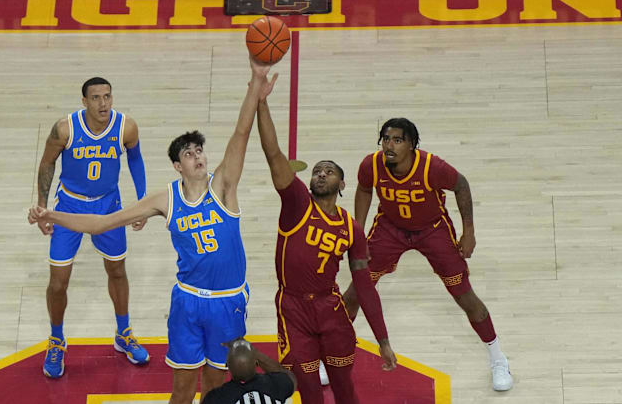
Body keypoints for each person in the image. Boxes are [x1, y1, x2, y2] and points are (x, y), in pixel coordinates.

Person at [29, 58, 274, 403]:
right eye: (189, 153)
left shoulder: (224, 188)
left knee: (218, 387)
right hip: (187, 300)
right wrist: (51, 212)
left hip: (226, 301)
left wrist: (256, 82)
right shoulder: (166, 199)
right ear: (178, 166)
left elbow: (241, 133)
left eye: (200, 150)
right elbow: (100, 224)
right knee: (182, 391)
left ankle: (124, 332)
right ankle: (63, 338)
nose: (198, 156)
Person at [340, 117, 514, 391]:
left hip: (432, 230)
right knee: (355, 290)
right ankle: (335, 356)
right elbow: (364, 189)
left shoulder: (432, 166)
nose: (389, 145)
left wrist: (469, 232)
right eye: (386, 139)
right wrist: (358, 233)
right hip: (390, 229)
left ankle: (498, 358)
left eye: (397, 140)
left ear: (412, 145)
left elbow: (462, 185)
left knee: (464, 295)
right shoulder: (371, 164)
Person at [254, 80, 397, 404]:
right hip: (294, 310)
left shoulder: (351, 228)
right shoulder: (297, 205)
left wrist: (383, 340)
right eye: (317, 170)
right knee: (309, 395)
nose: (320, 174)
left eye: (328, 171)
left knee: (345, 389)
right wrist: (262, 103)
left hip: (330, 309)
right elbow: (273, 153)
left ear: (341, 183)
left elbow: (364, 286)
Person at [33, 77, 149, 378]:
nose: (103, 104)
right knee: (58, 281)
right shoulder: (65, 128)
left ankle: (123, 333)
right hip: (69, 207)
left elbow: (136, 160)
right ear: (84, 101)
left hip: (108, 205)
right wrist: (43, 207)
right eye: (96, 98)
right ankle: (56, 341)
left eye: (107, 97)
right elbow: (47, 164)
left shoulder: (126, 127)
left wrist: (142, 203)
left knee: (118, 271)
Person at [201, 339, 296, 404]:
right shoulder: (276, 384)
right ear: (256, 363)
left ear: (227, 365)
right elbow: (289, 376)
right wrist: (255, 353)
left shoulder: (216, 397)